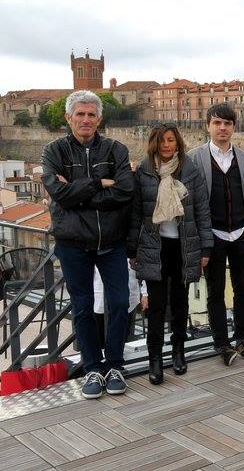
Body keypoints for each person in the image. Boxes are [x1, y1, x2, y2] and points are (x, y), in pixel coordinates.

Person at [42, 90, 134, 399]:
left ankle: (115, 365)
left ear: (99, 118)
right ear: (68, 118)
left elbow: (123, 192)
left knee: (120, 303)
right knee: (82, 307)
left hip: (111, 241)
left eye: (91, 114)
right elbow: (60, 195)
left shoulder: (115, 149)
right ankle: (93, 367)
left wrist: (77, 193)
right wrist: (98, 183)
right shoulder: (53, 152)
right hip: (73, 243)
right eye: (79, 114)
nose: (85, 119)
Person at [129, 123, 213, 384]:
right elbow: (135, 214)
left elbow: (202, 211)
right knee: (154, 306)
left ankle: (178, 351)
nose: (167, 145)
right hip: (154, 246)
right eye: (162, 141)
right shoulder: (144, 170)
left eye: (171, 140)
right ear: (155, 143)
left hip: (183, 246)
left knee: (180, 303)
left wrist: (206, 247)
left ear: (178, 143)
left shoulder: (189, 169)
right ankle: (154, 359)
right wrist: (132, 249)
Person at [189, 103, 244, 365]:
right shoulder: (195, 158)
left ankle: (242, 338)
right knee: (215, 292)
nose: (222, 128)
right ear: (208, 125)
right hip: (212, 235)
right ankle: (221, 343)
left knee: (243, 287)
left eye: (227, 123)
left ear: (233, 127)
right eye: (217, 123)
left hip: (241, 232)